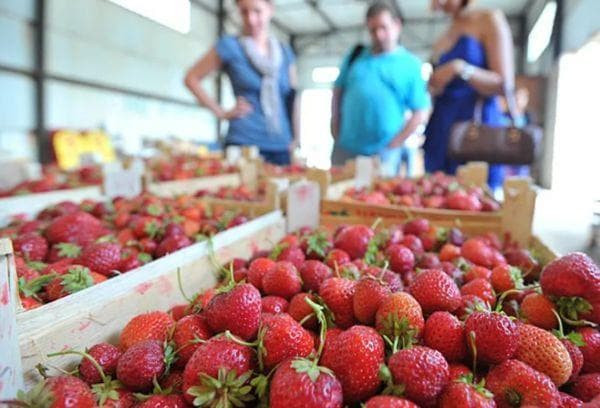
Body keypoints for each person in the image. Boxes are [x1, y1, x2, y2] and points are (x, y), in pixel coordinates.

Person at [184, 0, 298, 165]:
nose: (251, 19)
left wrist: (296, 137)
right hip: (244, 142)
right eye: (244, 12)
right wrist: (222, 113)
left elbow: (293, 98)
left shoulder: (285, 53)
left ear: (270, 10)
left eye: (257, 11)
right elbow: (191, 78)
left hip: (281, 145)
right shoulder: (230, 46)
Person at [330, 2, 431, 177]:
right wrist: (335, 124)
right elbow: (338, 91)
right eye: (373, 30)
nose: (379, 35)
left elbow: (420, 111)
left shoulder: (410, 65)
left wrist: (395, 144)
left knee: (376, 199)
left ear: (397, 25)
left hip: (383, 154)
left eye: (383, 27)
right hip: (345, 148)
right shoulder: (355, 56)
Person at [424, 0, 516, 190]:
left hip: (474, 128)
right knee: (436, 195)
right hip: (441, 126)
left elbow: (504, 84)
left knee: (476, 197)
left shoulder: (489, 20)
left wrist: (460, 69)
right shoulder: (445, 32)